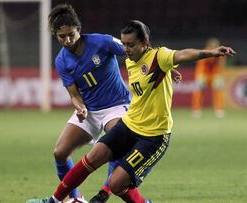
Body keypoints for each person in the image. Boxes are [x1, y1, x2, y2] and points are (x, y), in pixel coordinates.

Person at [27, 20, 235, 203]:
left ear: (145, 43)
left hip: (153, 135)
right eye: (124, 44)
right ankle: (57, 200)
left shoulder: (159, 56)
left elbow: (182, 54)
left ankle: (117, 195)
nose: (125, 49)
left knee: (117, 184)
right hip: (129, 125)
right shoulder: (129, 59)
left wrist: (210, 53)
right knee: (91, 158)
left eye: (130, 44)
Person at [26, 4, 182, 203]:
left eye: (70, 35)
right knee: (60, 152)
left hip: (117, 106)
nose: (67, 40)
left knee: (116, 138)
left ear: (79, 30)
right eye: (61, 37)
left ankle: (105, 192)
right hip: (89, 110)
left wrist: (162, 67)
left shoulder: (103, 42)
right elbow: (73, 94)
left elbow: (137, 51)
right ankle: (76, 199)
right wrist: (79, 106)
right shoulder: (61, 61)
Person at [191, 38, 226, 118]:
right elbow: (201, 66)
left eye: (215, 46)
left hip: (215, 74)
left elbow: (220, 66)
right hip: (203, 74)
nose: (213, 47)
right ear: (208, 46)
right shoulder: (204, 52)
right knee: (198, 91)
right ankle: (196, 110)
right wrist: (200, 76)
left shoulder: (220, 53)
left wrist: (218, 76)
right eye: (212, 46)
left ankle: (219, 109)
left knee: (219, 90)